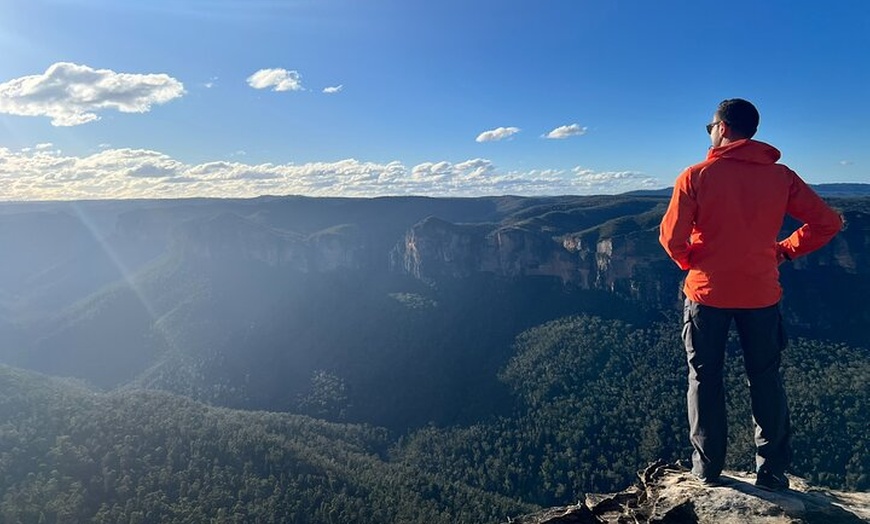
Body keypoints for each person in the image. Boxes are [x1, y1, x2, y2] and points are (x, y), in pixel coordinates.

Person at [658, 98, 842, 491]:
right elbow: (827, 222)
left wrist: (697, 261)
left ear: (722, 128)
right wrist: (784, 250)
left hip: (707, 295)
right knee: (765, 379)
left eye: (710, 126)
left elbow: (671, 240)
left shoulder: (695, 176)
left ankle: (706, 468)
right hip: (761, 292)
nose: (709, 132)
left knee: (705, 379)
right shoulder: (781, 177)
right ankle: (772, 471)